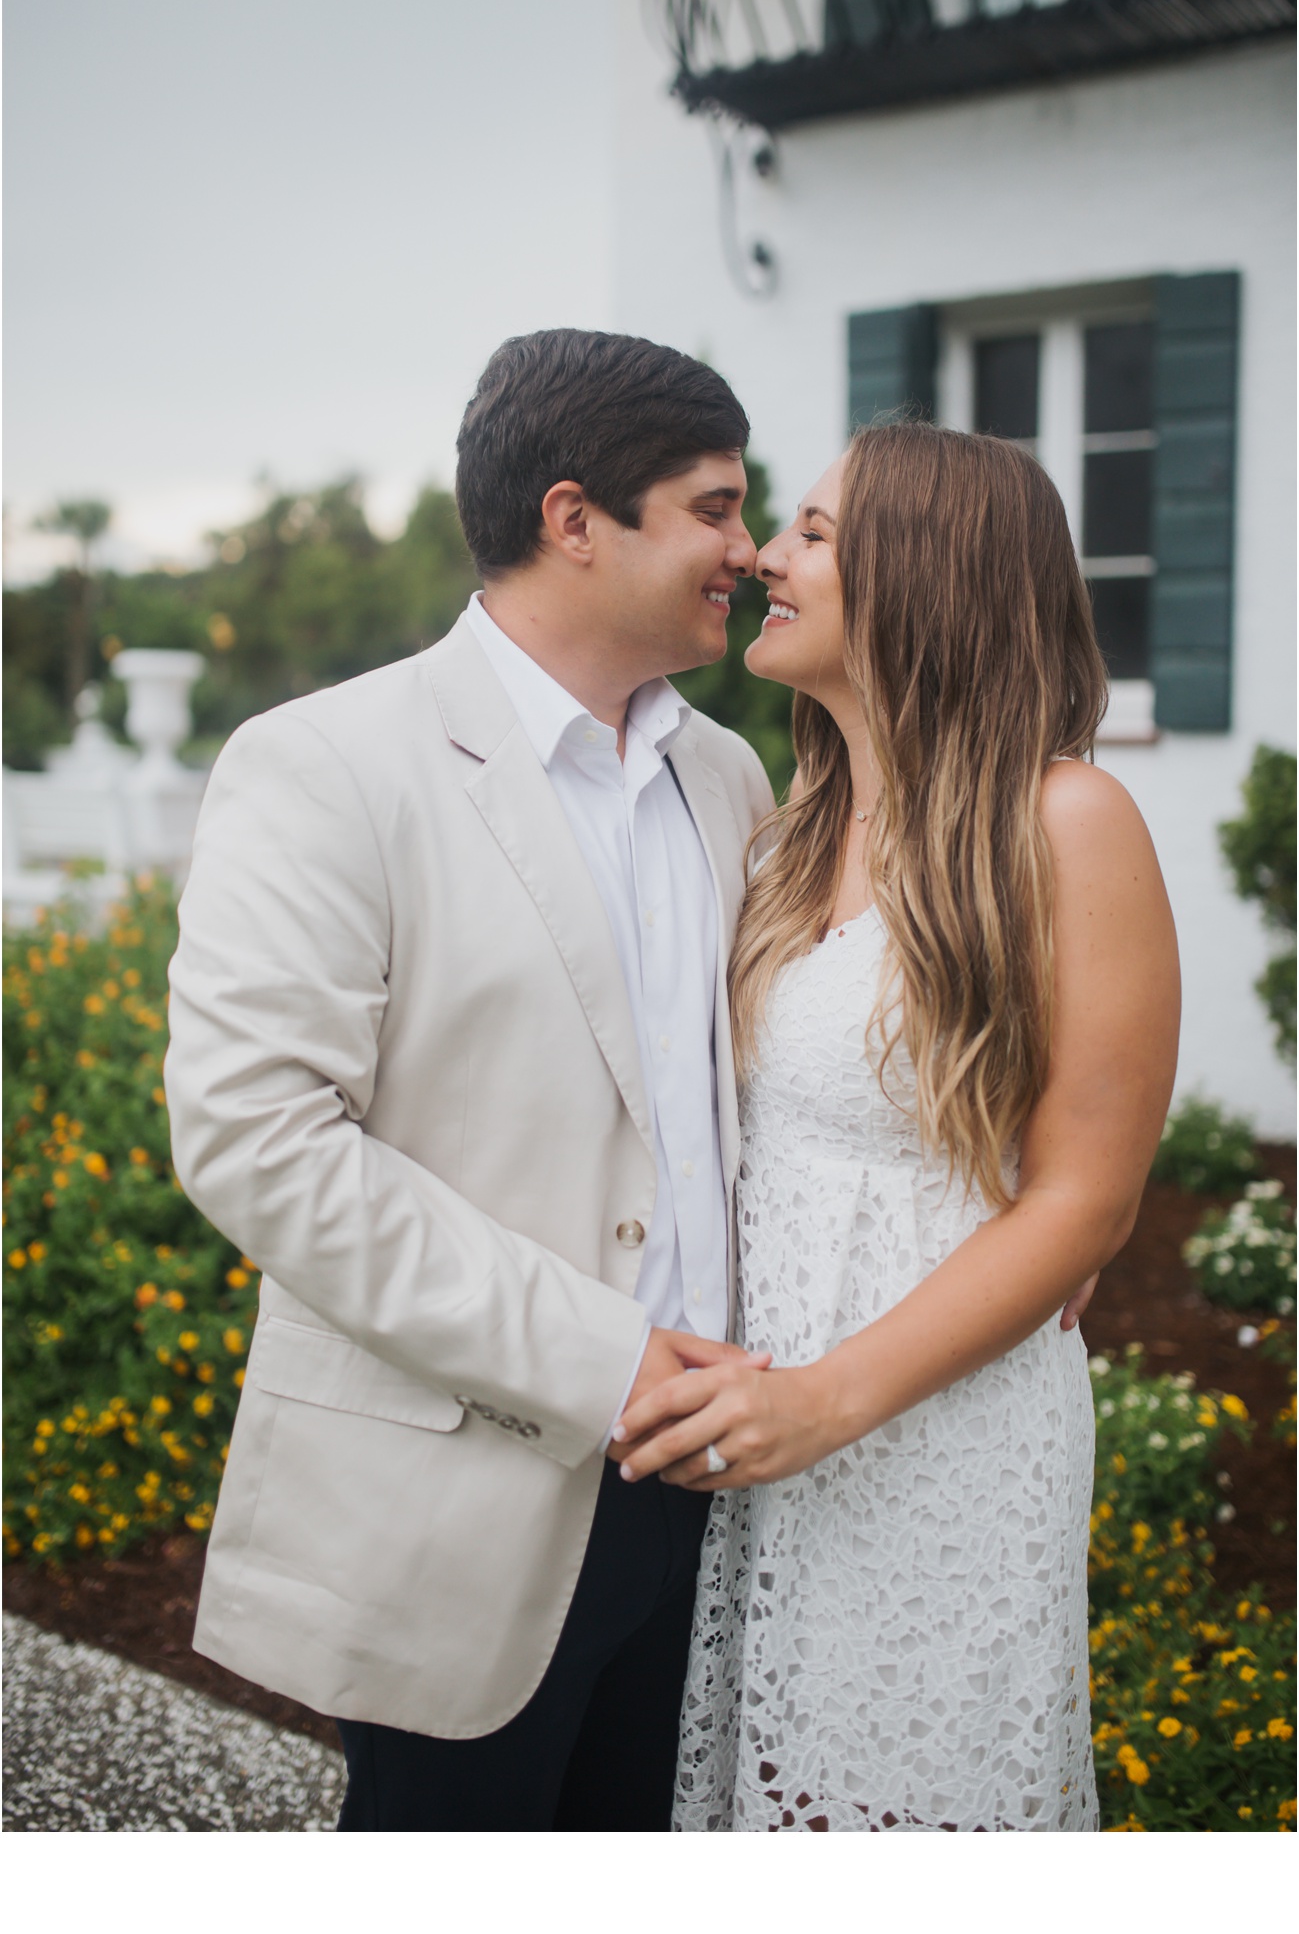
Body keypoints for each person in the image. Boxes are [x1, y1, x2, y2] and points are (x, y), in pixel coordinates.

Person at [164, 328, 776, 1831]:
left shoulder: (730, 782)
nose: (747, 552)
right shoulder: (328, 765)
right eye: (713, 507)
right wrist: (604, 1359)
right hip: (467, 1496)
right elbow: (259, 1144)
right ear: (575, 519)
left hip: (725, 1497)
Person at [614, 422, 1181, 1832]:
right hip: (761, 1424)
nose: (765, 559)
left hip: (931, 1422)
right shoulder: (793, 819)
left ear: (924, 575)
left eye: (811, 532)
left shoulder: (1070, 822)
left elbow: (1085, 1202)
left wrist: (826, 1400)